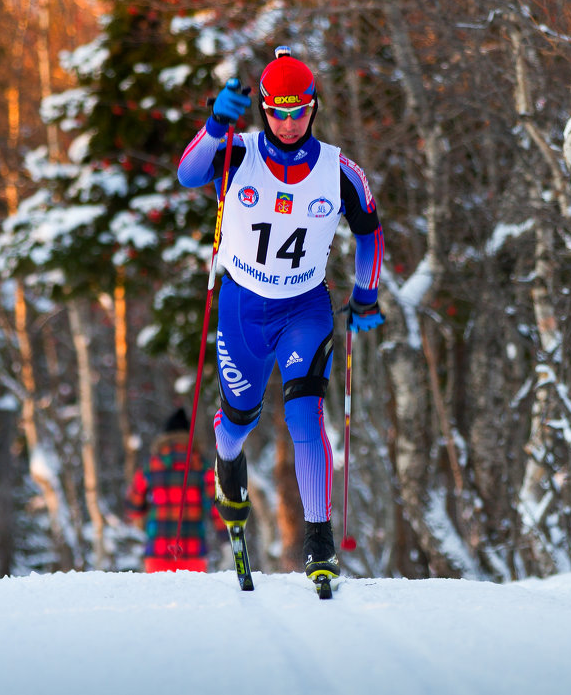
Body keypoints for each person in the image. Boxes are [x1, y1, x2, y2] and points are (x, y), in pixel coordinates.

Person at [177, 46, 385, 585]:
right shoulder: (236, 152)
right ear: (263, 109)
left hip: (305, 308)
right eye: (278, 112)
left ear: (313, 108)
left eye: (298, 112)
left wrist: (366, 294)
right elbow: (187, 174)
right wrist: (215, 125)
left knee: (304, 416)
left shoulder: (339, 170)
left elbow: (370, 233)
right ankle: (228, 465)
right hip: (242, 310)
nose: (288, 124)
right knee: (236, 422)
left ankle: (319, 540)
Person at [126, 408, 223, 573]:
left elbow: (133, 507)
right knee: (192, 598)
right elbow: (217, 507)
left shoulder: (151, 465)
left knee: (158, 598)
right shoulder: (202, 465)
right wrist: (226, 540)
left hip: (158, 550)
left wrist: (145, 507)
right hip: (193, 551)